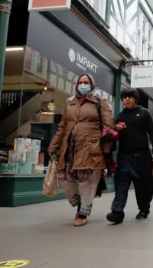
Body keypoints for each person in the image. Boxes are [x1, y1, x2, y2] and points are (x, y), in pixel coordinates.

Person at [48, 74, 115, 227]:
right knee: (64, 177)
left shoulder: (100, 102)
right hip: (69, 147)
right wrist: (54, 145)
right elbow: (63, 126)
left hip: (91, 147)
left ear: (92, 85)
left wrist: (105, 144)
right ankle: (78, 202)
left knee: (88, 181)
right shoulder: (70, 103)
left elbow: (108, 125)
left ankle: (83, 211)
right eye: (81, 82)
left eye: (86, 82)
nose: (83, 85)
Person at [106, 87, 153, 224]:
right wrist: (115, 130)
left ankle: (144, 208)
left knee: (143, 185)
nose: (127, 99)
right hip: (124, 156)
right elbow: (113, 137)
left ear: (135, 99)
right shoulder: (119, 117)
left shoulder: (144, 113)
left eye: (130, 97)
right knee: (121, 184)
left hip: (142, 155)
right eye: (124, 97)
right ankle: (117, 212)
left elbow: (152, 133)